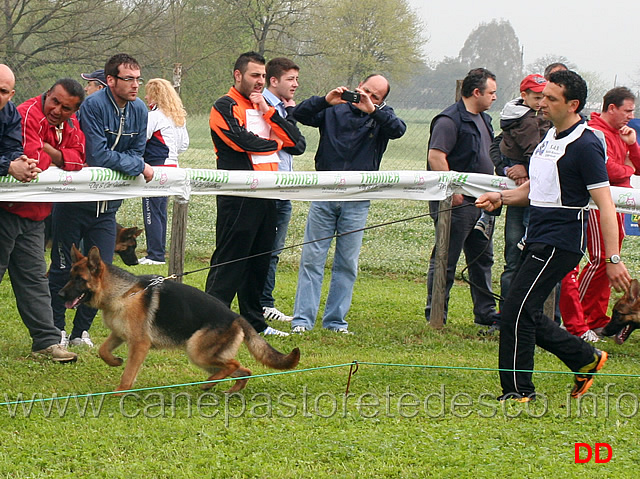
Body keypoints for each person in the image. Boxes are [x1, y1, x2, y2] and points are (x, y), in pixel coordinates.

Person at [475, 70, 631, 401]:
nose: (542, 103)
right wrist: (500, 198)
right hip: (538, 237)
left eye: (551, 98)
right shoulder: (549, 138)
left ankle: (518, 392)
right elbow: (534, 190)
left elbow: (604, 205)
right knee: (524, 311)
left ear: (572, 104)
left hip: (560, 242)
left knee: (516, 311)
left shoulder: (586, 144)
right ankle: (584, 358)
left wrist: (612, 258)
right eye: (542, 96)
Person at [48, 53, 153, 348]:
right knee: (61, 268)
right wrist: (136, 166)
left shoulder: (140, 109)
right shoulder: (92, 106)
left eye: (138, 79)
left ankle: (81, 332)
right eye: (128, 79)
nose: (135, 85)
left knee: (101, 272)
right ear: (110, 80)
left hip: (108, 209)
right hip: (73, 203)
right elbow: (96, 155)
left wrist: (135, 163)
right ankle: (56, 329)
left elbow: (138, 153)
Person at [289, 74, 406, 334]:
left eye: (374, 96)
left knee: (346, 263)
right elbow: (299, 114)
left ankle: (335, 322)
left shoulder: (381, 117)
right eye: (364, 91)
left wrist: (373, 110)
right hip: (324, 194)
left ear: (381, 101)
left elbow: (399, 130)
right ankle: (302, 321)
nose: (364, 97)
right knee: (312, 259)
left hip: (357, 199)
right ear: (357, 87)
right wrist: (324, 101)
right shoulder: (334, 109)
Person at [205, 51, 304, 337]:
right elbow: (238, 141)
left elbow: (296, 143)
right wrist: (273, 144)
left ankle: (255, 322)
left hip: (267, 193)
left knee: (259, 260)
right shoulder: (224, 105)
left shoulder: (268, 107)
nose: (259, 81)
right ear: (238, 75)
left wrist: (270, 113)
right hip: (237, 195)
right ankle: (212, 319)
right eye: (254, 75)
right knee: (230, 259)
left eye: (262, 76)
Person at [0, 65, 78, 362]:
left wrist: (20, 161)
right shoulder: (25, 113)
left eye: (5, 91)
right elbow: (28, 155)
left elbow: (79, 159)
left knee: (34, 277)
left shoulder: (8, 113)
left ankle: (46, 343)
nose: (57, 109)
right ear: (47, 95)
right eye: (54, 102)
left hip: (33, 212)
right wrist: (11, 166)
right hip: (6, 209)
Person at [560, 87, 640, 340]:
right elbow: (606, 171)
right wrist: (627, 170)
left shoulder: (621, 134)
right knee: (601, 259)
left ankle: (595, 318)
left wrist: (632, 145)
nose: (631, 116)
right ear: (612, 108)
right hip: (597, 204)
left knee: (609, 263)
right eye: (627, 111)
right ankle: (577, 319)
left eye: (633, 111)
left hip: (617, 205)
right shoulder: (596, 133)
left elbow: (636, 167)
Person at [425, 68, 499, 327]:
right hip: (457, 204)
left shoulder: (485, 120)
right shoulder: (449, 120)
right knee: (446, 259)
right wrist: (451, 191)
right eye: (491, 92)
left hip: (483, 203)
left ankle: (486, 316)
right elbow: (436, 156)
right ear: (476, 92)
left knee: (482, 261)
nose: (494, 98)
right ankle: (435, 315)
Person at [495, 74, 551, 313]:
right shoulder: (525, 120)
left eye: (546, 97)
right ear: (524, 95)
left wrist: (524, 168)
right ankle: (507, 316)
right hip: (522, 195)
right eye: (538, 97)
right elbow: (495, 146)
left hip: (539, 194)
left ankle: (533, 318)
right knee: (514, 257)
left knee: (533, 261)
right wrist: (507, 168)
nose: (541, 102)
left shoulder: (514, 116)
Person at [260, 57, 306, 322]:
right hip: (266, 187)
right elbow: (293, 143)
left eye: (297, 79)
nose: (295, 85)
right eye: (290, 79)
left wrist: (289, 114)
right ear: (273, 80)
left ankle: (265, 302)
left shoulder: (286, 108)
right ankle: (254, 303)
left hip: (283, 190)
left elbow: (297, 145)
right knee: (258, 250)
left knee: (274, 252)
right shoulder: (262, 106)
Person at [138, 78, 190, 265]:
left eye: (148, 93)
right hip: (173, 167)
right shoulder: (177, 118)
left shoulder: (154, 116)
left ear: (155, 95)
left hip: (157, 168)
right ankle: (158, 252)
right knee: (160, 211)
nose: (145, 97)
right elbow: (184, 144)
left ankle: (155, 255)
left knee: (151, 209)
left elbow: (141, 138)